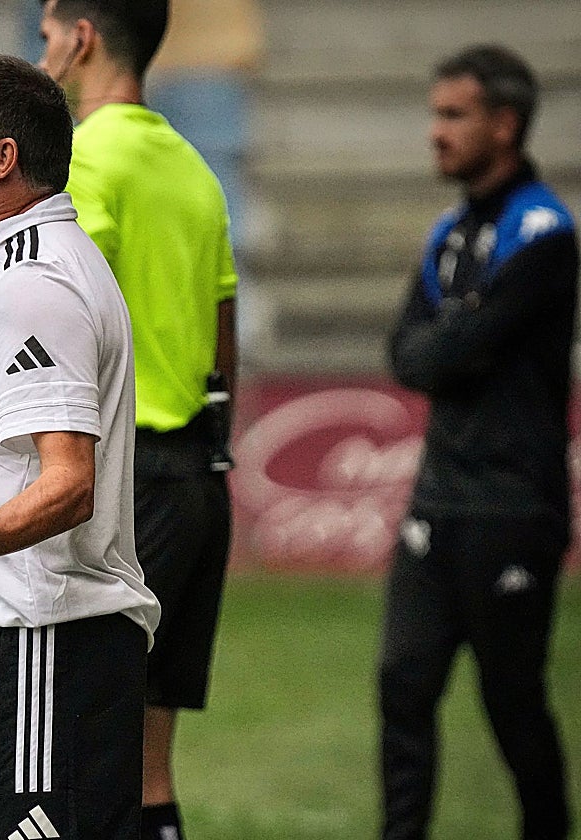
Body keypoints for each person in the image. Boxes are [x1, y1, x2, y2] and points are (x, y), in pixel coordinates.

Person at [0, 53, 160, 840]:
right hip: (29, 644)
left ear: (0, 159)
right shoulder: (12, 270)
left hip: (41, 644)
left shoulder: (29, 283)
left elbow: (68, 481)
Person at [37, 3, 238, 839]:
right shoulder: (195, 169)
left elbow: (64, 312)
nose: (40, 49)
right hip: (199, 480)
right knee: (150, 764)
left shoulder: (84, 157)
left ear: (81, 36)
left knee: (79, 760)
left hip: (130, 487)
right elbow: (227, 335)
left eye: (46, 30)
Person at [380, 44, 576, 840]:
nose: (436, 131)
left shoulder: (546, 234)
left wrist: (453, 341)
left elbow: (454, 348)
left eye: (453, 115)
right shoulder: (448, 235)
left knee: (512, 700)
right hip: (438, 501)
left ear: (506, 123)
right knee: (403, 686)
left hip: (513, 504)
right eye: (435, 113)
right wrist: (457, 341)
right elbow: (409, 355)